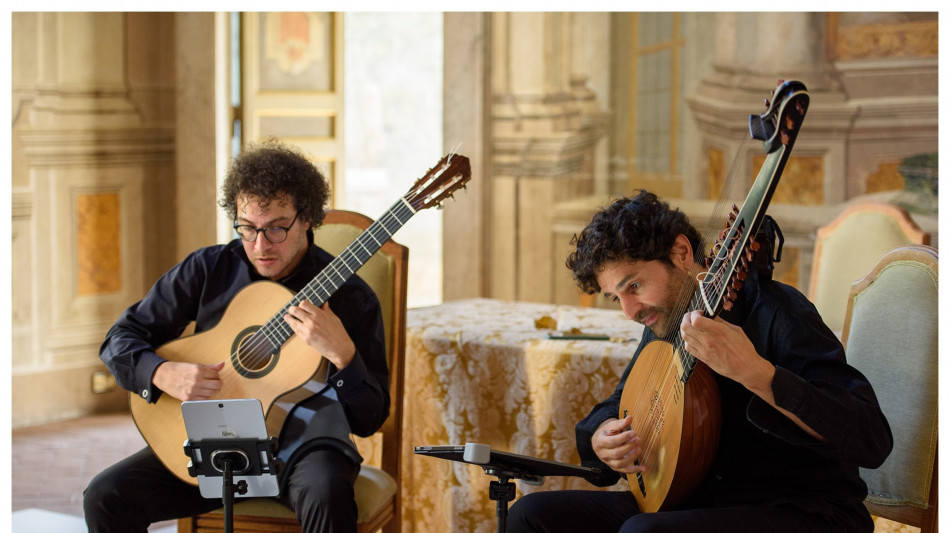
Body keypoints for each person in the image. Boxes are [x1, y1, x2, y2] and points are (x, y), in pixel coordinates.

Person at [507, 190, 893, 533]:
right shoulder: (665, 321)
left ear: (681, 253)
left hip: (801, 510)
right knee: (531, 515)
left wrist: (757, 374)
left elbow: (871, 438)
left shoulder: (779, 312)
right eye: (616, 297)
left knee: (644, 532)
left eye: (634, 286)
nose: (629, 311)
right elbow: (620, 402)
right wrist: (601, 434)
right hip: (698, 502)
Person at [83, 140, 390, 533]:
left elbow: (369, 419)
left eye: (276, 228)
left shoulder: (352, 298)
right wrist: (160, 373)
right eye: (247, 228)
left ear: (307, 218)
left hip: (307, 447)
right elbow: (120, 338)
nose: (260, 245)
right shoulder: (209, 268)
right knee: (105, 497)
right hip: (213, 443)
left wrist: (344, 355)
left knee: (327, 496)